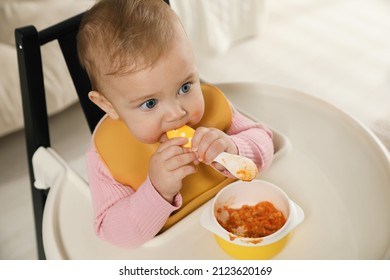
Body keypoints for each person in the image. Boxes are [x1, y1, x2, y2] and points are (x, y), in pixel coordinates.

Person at [77, 0, 274, 248]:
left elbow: (266, 143)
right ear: (108, 105)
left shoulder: (213, 106)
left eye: (184, 87)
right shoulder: (107, 153)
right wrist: (156, 191)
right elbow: (112, 231)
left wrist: (234, 149)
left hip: (243, 223)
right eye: (150, 104)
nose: (177, 114)